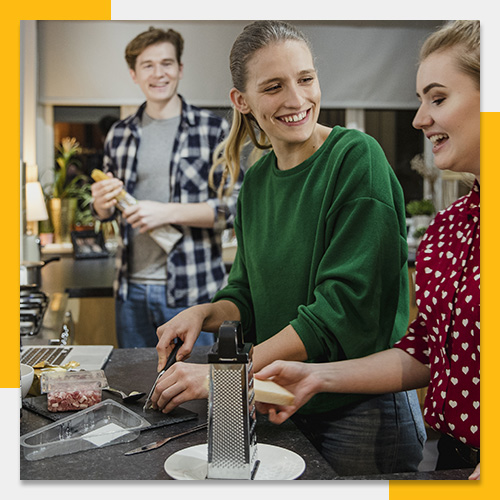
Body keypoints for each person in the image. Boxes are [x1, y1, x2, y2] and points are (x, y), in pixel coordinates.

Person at [151, 21, 426, 477]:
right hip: (281, 404)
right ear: (242, 101)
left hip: (361, 416)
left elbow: (340, 312)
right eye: (274, 86)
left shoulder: (357, 158)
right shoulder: (257, 182)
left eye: (306, 79)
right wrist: (204, 313)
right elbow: (245, 292)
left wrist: (226, 379)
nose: (297, 100)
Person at [255, 20, 480, 480]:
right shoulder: (449, 228)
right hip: (459, 456)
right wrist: (317, 376)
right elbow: (424, 350)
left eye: (438, 98)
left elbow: (343, 307)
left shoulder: (355, 157)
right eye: (420, 100)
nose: (419, 118)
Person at [90, 27, 241, 348]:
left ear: (180, 69)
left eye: (167, 63)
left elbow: (236, 208)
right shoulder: (119, 134)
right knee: (137, 392)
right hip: (130, 293)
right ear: (133, 74)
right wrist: (101, 204)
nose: (159, 74)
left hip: (194, 291)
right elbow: (106, 212)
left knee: (198, 392)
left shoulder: (213, 130)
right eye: (147, 65)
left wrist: (167, 212)